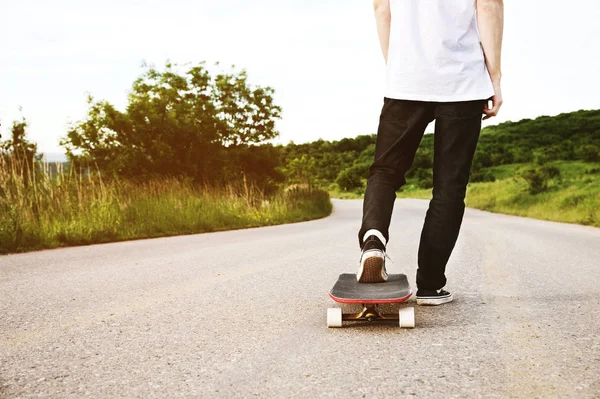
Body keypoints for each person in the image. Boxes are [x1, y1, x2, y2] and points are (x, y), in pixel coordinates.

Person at [356, 0, 504, 306]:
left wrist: (397, 66)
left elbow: (381, 9)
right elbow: (489, 6)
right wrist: (495, 76)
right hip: (461, 82)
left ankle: (373, 241)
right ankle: (430, 285)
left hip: (406, 81)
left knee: (385, 171)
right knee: (449, 186)